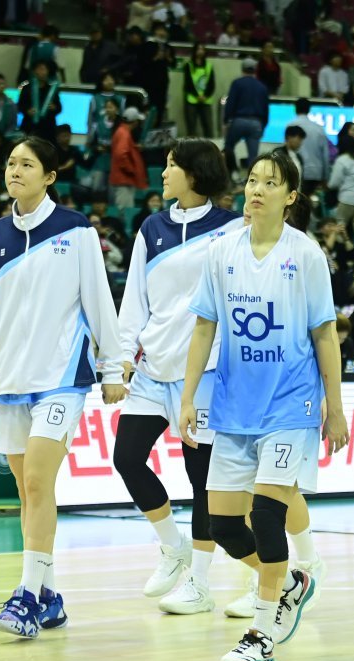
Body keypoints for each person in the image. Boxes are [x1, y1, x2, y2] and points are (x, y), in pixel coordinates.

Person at [0, 136, 126, 639]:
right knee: (27, 490)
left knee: (36, 480)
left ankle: (26, 597)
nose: (15, 170)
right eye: (11, 163)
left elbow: (99, 299)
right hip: (11, 378)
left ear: (50, 176)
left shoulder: (76, 230)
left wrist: (112, 368)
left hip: (61, 377)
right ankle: (51, 597)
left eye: (27, 164)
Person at [179, 149, 347, 661]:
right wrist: (188, 398)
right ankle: (291, 581)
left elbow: (325, 333)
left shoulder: (306, 255)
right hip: (234, 407)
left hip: (291, 404)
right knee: (226, 527)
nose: (256, 189)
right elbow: (204, 327)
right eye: (252, 180)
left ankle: (262, 633)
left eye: (270, 183)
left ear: (290, 196)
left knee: (269, 516)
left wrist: (335, 407)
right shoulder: (221, 252)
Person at [114, 139, 242, 614]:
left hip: (205, 371)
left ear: (195, 172)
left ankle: (200, 584)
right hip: (152, 370)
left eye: (171, 165)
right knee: (127, 458)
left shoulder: (232, 228)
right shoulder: (151, 227)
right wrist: (122, 356)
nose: (163, 173)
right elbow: (134, 299)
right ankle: (173, 546)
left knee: (201, 478)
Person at [223, 59, 269, 174]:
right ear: (255, 70)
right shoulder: (262, 87)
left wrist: (226, 120)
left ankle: (232, 173)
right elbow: (266, 109)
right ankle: (252, 179)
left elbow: (230, 104)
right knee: (253, 156)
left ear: (242, 69)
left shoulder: (237, 83)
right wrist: (263, 126)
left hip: (238, 121)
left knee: (228, 147)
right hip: (256, 123)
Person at [109, 107, 147, 209]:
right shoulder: (124, 133)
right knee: (124, 212)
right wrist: (132, 170)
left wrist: (133, 147)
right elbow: (121, 155)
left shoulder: (121, 131)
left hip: (122, 180)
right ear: (134, 122)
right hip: (124, 181)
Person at [291, 99, 329, 196]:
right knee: (308, 201)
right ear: (309, 110)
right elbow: (325, 155)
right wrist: (325, 177)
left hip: (295, 171)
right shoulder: (319, 129)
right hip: (315, 173)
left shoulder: (290, 127)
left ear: (295, 109)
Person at [182, 43, 216, 138]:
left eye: (202, 49)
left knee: (208, 127)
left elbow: (211, 84)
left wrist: (205, 95)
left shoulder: (209, 66)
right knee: (191, 127)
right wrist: (197, 95)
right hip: (192, 100)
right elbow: (188, 83)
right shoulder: (189, 65)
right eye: (198, 49)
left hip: (206, 100)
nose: (200, 51)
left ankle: (209, 145)